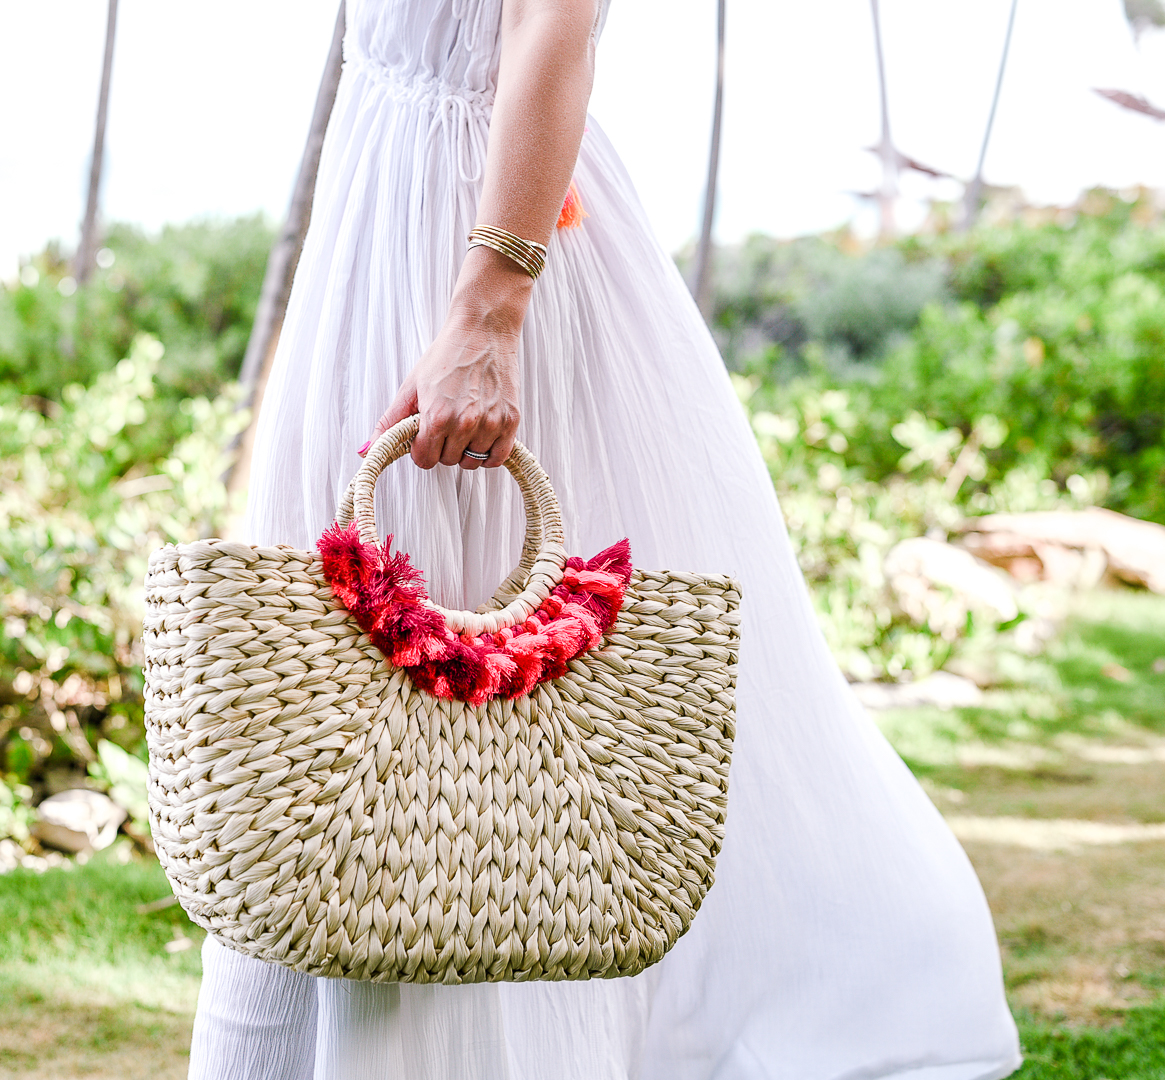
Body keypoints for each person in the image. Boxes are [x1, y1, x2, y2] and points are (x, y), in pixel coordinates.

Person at [188, 0, 1023, 1076]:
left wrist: (486, 312)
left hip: (463, 222)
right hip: (378, 191)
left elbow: (554, 20)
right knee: (335, 684)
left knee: (457, 666)